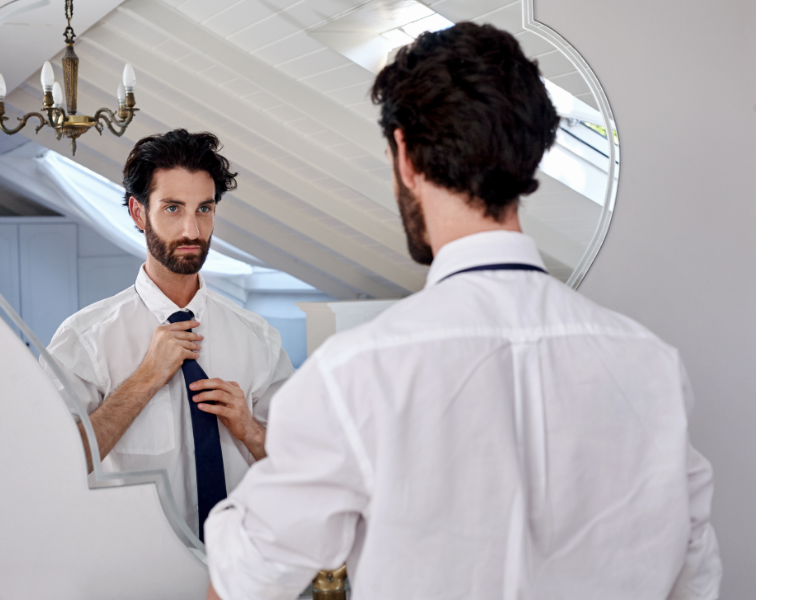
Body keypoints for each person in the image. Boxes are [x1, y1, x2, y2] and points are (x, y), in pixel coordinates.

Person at [204, 22, 721, 600]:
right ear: (530, 156)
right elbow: (693, 580)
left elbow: (244, 582)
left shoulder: (355, 376)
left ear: (404, 156)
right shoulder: (652, 366)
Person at [41, 129, 295, 541]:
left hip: (243, 569)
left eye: (205, 209)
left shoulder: (258, 339)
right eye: (173, 208)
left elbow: (303, 469)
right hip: (136, 576)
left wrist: (250, 429)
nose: (192, 230)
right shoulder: (83, 339)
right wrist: (144, 380)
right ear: (139, 214)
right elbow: (50, 467)